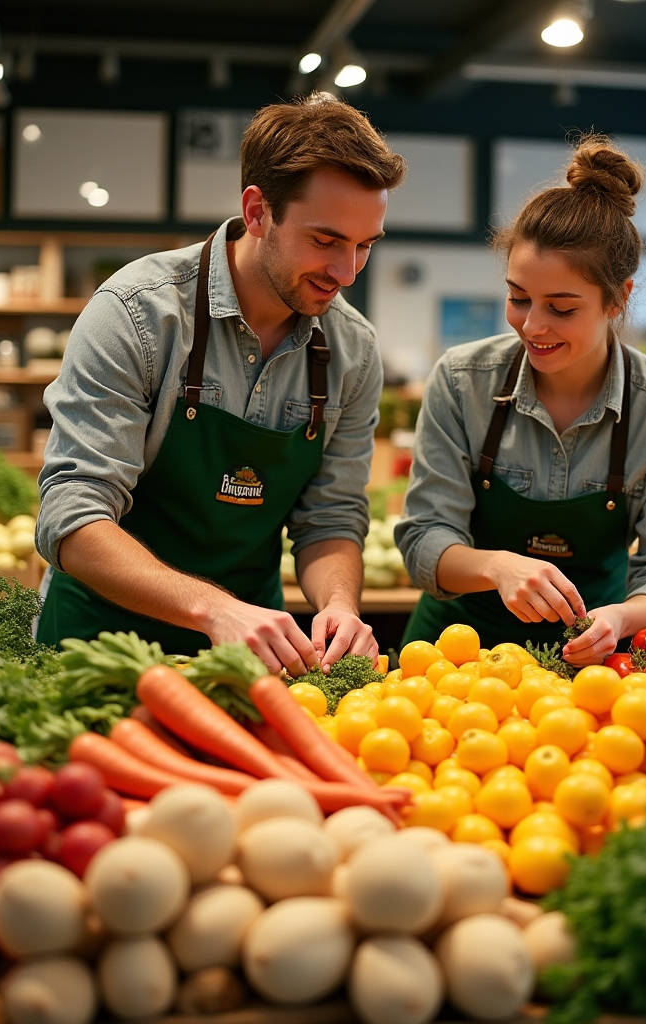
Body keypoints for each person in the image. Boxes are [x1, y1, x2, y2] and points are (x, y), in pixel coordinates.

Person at [35, 93, 407, 674]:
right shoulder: (138, 314)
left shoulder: (351, 352)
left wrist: (338, 603)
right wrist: (212, 610)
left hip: (250, 660)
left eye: (365, 246)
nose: (347, 273)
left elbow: (329, 520)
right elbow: (72, 515)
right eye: (327, 240)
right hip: (99, 649)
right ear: (257, 212)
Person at [396, 136, 646, 663]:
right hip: (452, 654)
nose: (534, 326)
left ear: (619, 299)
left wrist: (618, 617)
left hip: (591, 656)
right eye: (519, 298)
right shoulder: (462, 381)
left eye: (562, 308)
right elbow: (425, 537)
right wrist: (496, 567)